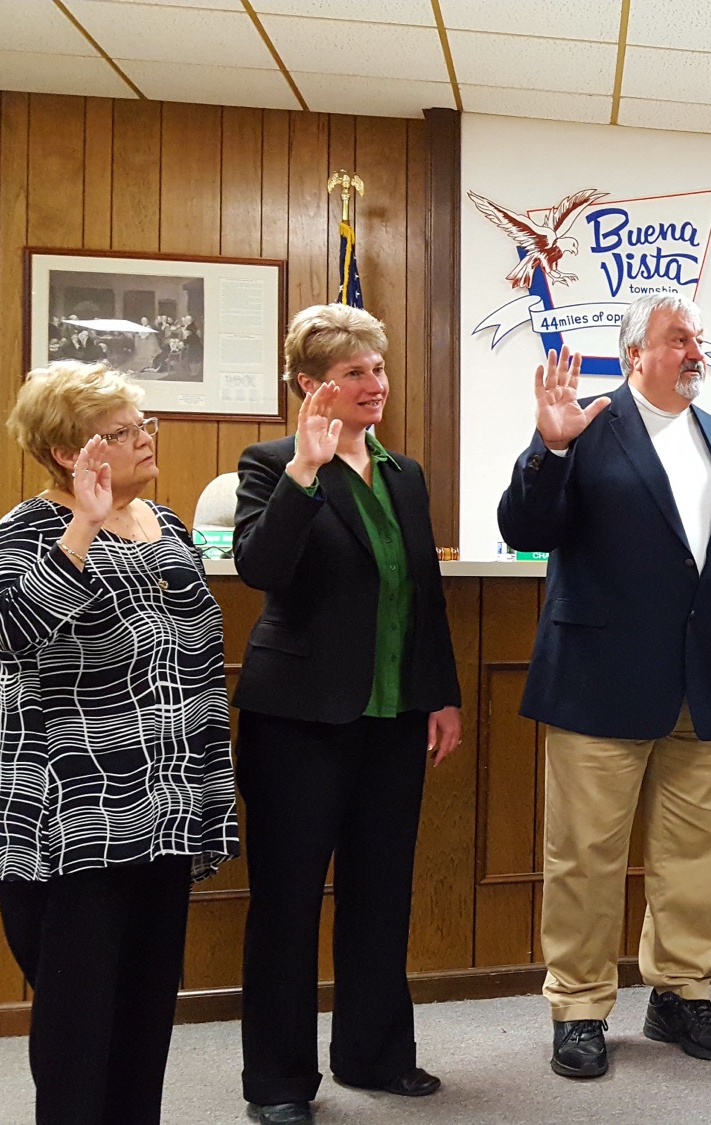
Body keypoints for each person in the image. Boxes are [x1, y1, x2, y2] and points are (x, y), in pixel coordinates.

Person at [498, 292, 711, 1079]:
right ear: (636, 355)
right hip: (599, 682)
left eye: (699, 338)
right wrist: (550, 450)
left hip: (706, 683)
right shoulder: (587, 432)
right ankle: (579, 1005)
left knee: (694, 858)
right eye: (677, 340)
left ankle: (679, 991)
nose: (695, 351)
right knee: (585, 858)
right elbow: (525, 529)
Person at [0, 361, 238, 1124]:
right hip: (73, 825)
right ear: (71, 451)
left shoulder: (170, 528)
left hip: (161, 810)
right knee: (76, 1034)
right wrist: (82, 527)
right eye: (125, 431)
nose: (146, 438)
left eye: (143, 423)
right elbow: (10, 632)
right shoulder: (26, 530)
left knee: (143, 1023)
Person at [232, 304, 463, 1125]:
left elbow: (422, 595)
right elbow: (259, 566)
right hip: (298, 719)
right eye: (356, 372)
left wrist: (441, 694)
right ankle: (280, 1081)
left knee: (381, 892)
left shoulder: (404, 473)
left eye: (379, 368)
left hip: (395, 716)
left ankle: (374, 1053)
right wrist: (303, 470)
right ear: (308, 384)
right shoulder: (268, 464)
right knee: (289, 902)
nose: (377, 385)